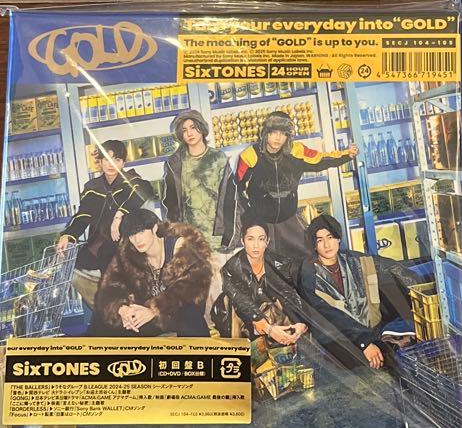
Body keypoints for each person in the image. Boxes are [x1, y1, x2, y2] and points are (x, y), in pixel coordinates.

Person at [298, 213, 416, 370]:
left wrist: (420, 289)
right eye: (320, 240)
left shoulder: (355, 261)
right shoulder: (309, 274)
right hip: (339, 344)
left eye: (330, 237)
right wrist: (364, 343)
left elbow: (394, 270)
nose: (327, 245)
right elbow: (329, 315)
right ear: (314, 245)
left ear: (338, 238)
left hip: (371, 334)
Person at [234, 110, 358, 257]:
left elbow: (320, 159)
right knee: (265, 264)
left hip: (290, 219)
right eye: (274, 132)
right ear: (266, 133)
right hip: (261, 223)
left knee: (309, 257)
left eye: (283, 133)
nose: (278, 138)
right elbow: (237, 188)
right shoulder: (250, 155)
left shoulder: (296, 151)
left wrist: (346, 155)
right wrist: (249, 217)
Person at [54, 139, 156, 312]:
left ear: (123, 163)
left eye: (117, 159)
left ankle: (123, 311)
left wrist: (119, 214)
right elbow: (82, 217)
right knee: (73, 264)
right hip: (100, 246)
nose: (111, 164)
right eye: (107, 159)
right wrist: (67, 235)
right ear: (100, 162)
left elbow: (145, 190)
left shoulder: (132, 181)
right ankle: (109, 311)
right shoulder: (92, 188)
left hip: (128, 244)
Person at [93, 208, 212, 337]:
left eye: (141, 232)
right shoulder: (128, 253)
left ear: (154, 228)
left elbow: (195, 285)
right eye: (132, 235)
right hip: (146, 313)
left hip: (177, 312)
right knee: (103, 326)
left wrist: (154, 310)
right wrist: (122, 309)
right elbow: (110, 288)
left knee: (191, 316)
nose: (137, 240)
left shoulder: (179, 247)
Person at [214, 221, 310, 347]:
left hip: (273, 314)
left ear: (267, 241)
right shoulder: (231, 268)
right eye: (250, 239)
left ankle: (287, 344)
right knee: (229, 300)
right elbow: (241, 301)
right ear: (242, 241)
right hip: (245, 317)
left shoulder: (280, 264)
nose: (256, 245)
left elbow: (290, 294)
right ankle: (239, 350)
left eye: (261, 239)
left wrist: (299, 322)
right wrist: (268, 328)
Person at [161, 110, 240, 252]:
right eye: (184, 130)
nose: (189, 133)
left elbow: (231, 200)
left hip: (217, 238)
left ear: (201, 128)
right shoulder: (175, 163)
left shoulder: (218, 158)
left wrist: (229, 238)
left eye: (193, 127)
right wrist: (176, 237)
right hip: (189, 240)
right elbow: (169, 205)